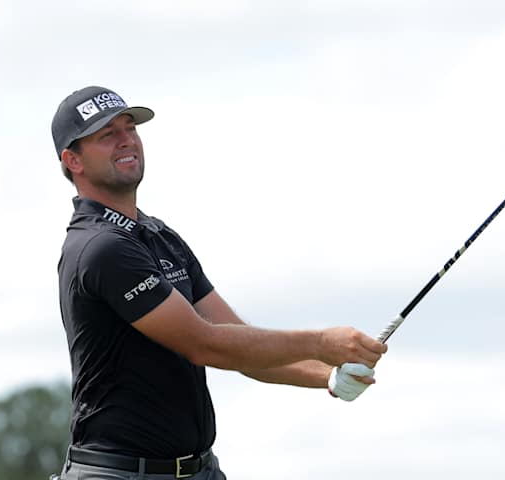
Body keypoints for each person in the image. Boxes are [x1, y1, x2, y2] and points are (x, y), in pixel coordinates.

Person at [50, 86, 387, 480]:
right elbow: (205, 344)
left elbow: (236, 339)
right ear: (73, 160)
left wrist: (326, 376)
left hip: (198, 471)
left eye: (130, 128)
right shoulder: (100, 247)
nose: (127, 140)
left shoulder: (159, 236)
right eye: (107, 134)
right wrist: (320, 344)